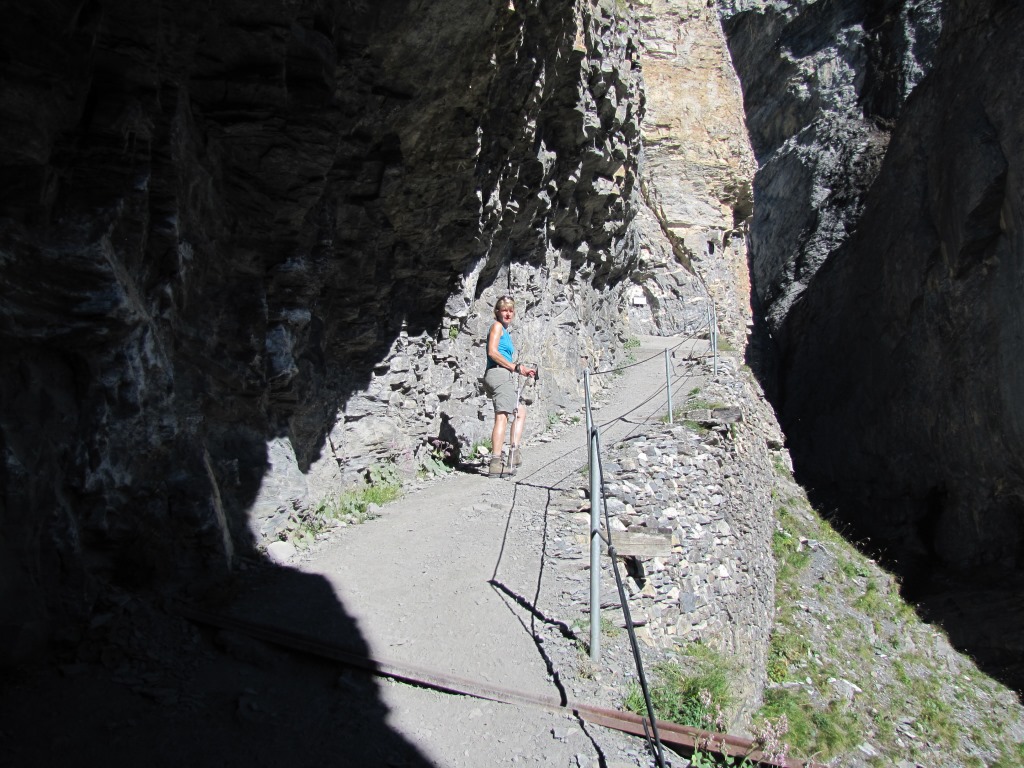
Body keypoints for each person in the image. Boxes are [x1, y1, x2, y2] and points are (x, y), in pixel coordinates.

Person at [482, 296, 536, 477]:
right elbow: (492, 352)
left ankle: (514, 452)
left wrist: (520, 369)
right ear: (497, 311)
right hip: (498, 374)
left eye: (511, 310)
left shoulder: (505, 331)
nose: (508, 313)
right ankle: (496, 462)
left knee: (520, 412)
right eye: (504, 310)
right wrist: (516, 368)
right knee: (502, 417)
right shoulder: (497, 327)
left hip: (501, 374)